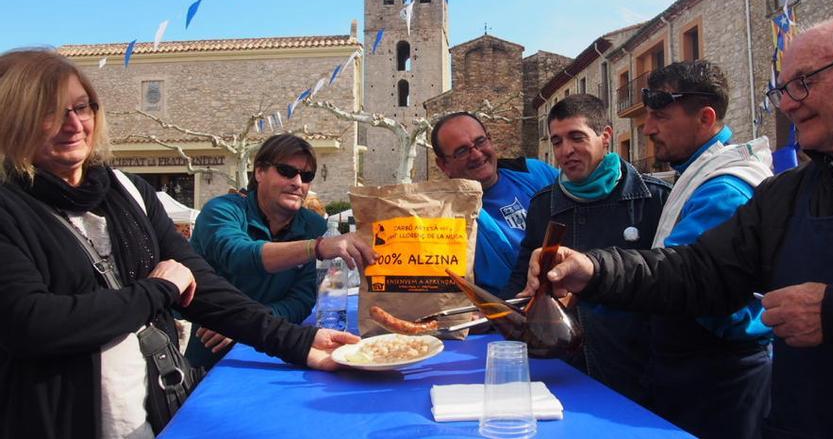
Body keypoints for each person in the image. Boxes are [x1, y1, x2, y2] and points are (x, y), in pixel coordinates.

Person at [520, 15, 833, 438]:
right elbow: (698, 270)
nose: (787, 104)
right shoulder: (787, 193)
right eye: (782, 90)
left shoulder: (729, 185)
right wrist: (594, 269)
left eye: (804, 82)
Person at [0, 49, 359, 439]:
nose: (73, 125)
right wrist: (159, 289)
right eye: (49, 111)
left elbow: (203, 286)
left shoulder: (129, 191)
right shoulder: (10, 207)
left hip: (152, 411)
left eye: (82, 108)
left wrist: (299, 342)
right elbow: (33, 323)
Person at [637, 60, 774, 438]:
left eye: (660, 116)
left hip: (718, 376)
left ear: (705, 117)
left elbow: (678, 281)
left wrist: (594, 275)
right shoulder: (698, 174)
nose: (648, 128)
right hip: (702, 368)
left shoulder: (723, 188)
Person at [504, 94, 670, 404]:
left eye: (576, 137)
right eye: (557, 141)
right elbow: (520, 285)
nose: (565, 151)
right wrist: (497, 311)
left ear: (606, 136)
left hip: (639, 375)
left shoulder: (656, 199)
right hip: (564, 373)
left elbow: (671, 284)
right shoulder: (543, 206)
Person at [186, 135, 373, 369]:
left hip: (282, 351)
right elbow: (239, 255)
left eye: (306, 176)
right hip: (212, 360)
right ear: (259, 172)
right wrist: (317, 247)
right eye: (286, 171)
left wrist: (245, 324)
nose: (297, 182)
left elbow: (302, 299)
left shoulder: (314, 225)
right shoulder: (222, 210)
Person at [431, 112, 558, 295]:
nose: (476, 154)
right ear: (443, 165)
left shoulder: (535, 172)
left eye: (480, 141)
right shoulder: (441, 217)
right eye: (462, 151)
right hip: (508, 314)